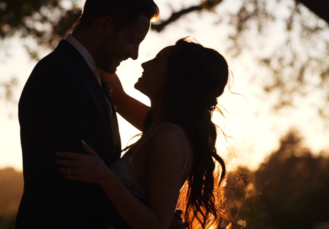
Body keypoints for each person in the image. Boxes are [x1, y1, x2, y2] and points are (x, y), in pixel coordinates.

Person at [16, 0, 159, 228]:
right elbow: (75, 178)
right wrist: (149, 221)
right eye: (132, 40)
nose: (135, 54)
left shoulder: (93, 77)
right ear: (104, 26)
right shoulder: (58, 75)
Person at [55, 38, 230, 228]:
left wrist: (103, 176)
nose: (144, 64)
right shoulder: (159, 124)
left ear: (176, 78)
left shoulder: (169, 137)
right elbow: (119, 97)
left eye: (156, 61)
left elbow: (157, 225)